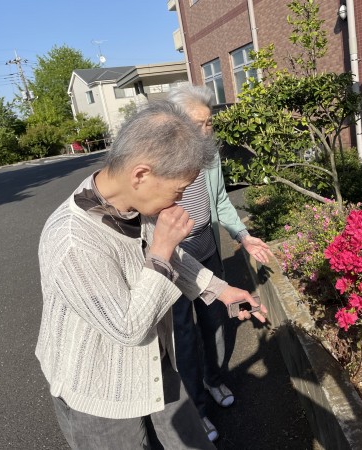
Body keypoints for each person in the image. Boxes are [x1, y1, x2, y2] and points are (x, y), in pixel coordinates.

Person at [36, 100, 267, 450]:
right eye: (179, 189)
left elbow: (174, 257)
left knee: (191, 442)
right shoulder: (72, 241)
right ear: (141, 175)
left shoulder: (129, 200)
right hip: (100, 387)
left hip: (156, 362)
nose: (180, 200)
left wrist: (219, 290)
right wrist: (160, 250)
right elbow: (127, 328)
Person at [167, 84, 273, 441]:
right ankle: (196, 408)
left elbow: (221, 202)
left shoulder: (210, 157)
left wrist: (242, 235)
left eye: (209, 123)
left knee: (215, 321)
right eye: (197, 124)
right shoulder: (163, 162)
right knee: (182, 336)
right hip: (175, 261)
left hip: (208, 251)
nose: (205, 131)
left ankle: (213, 380)